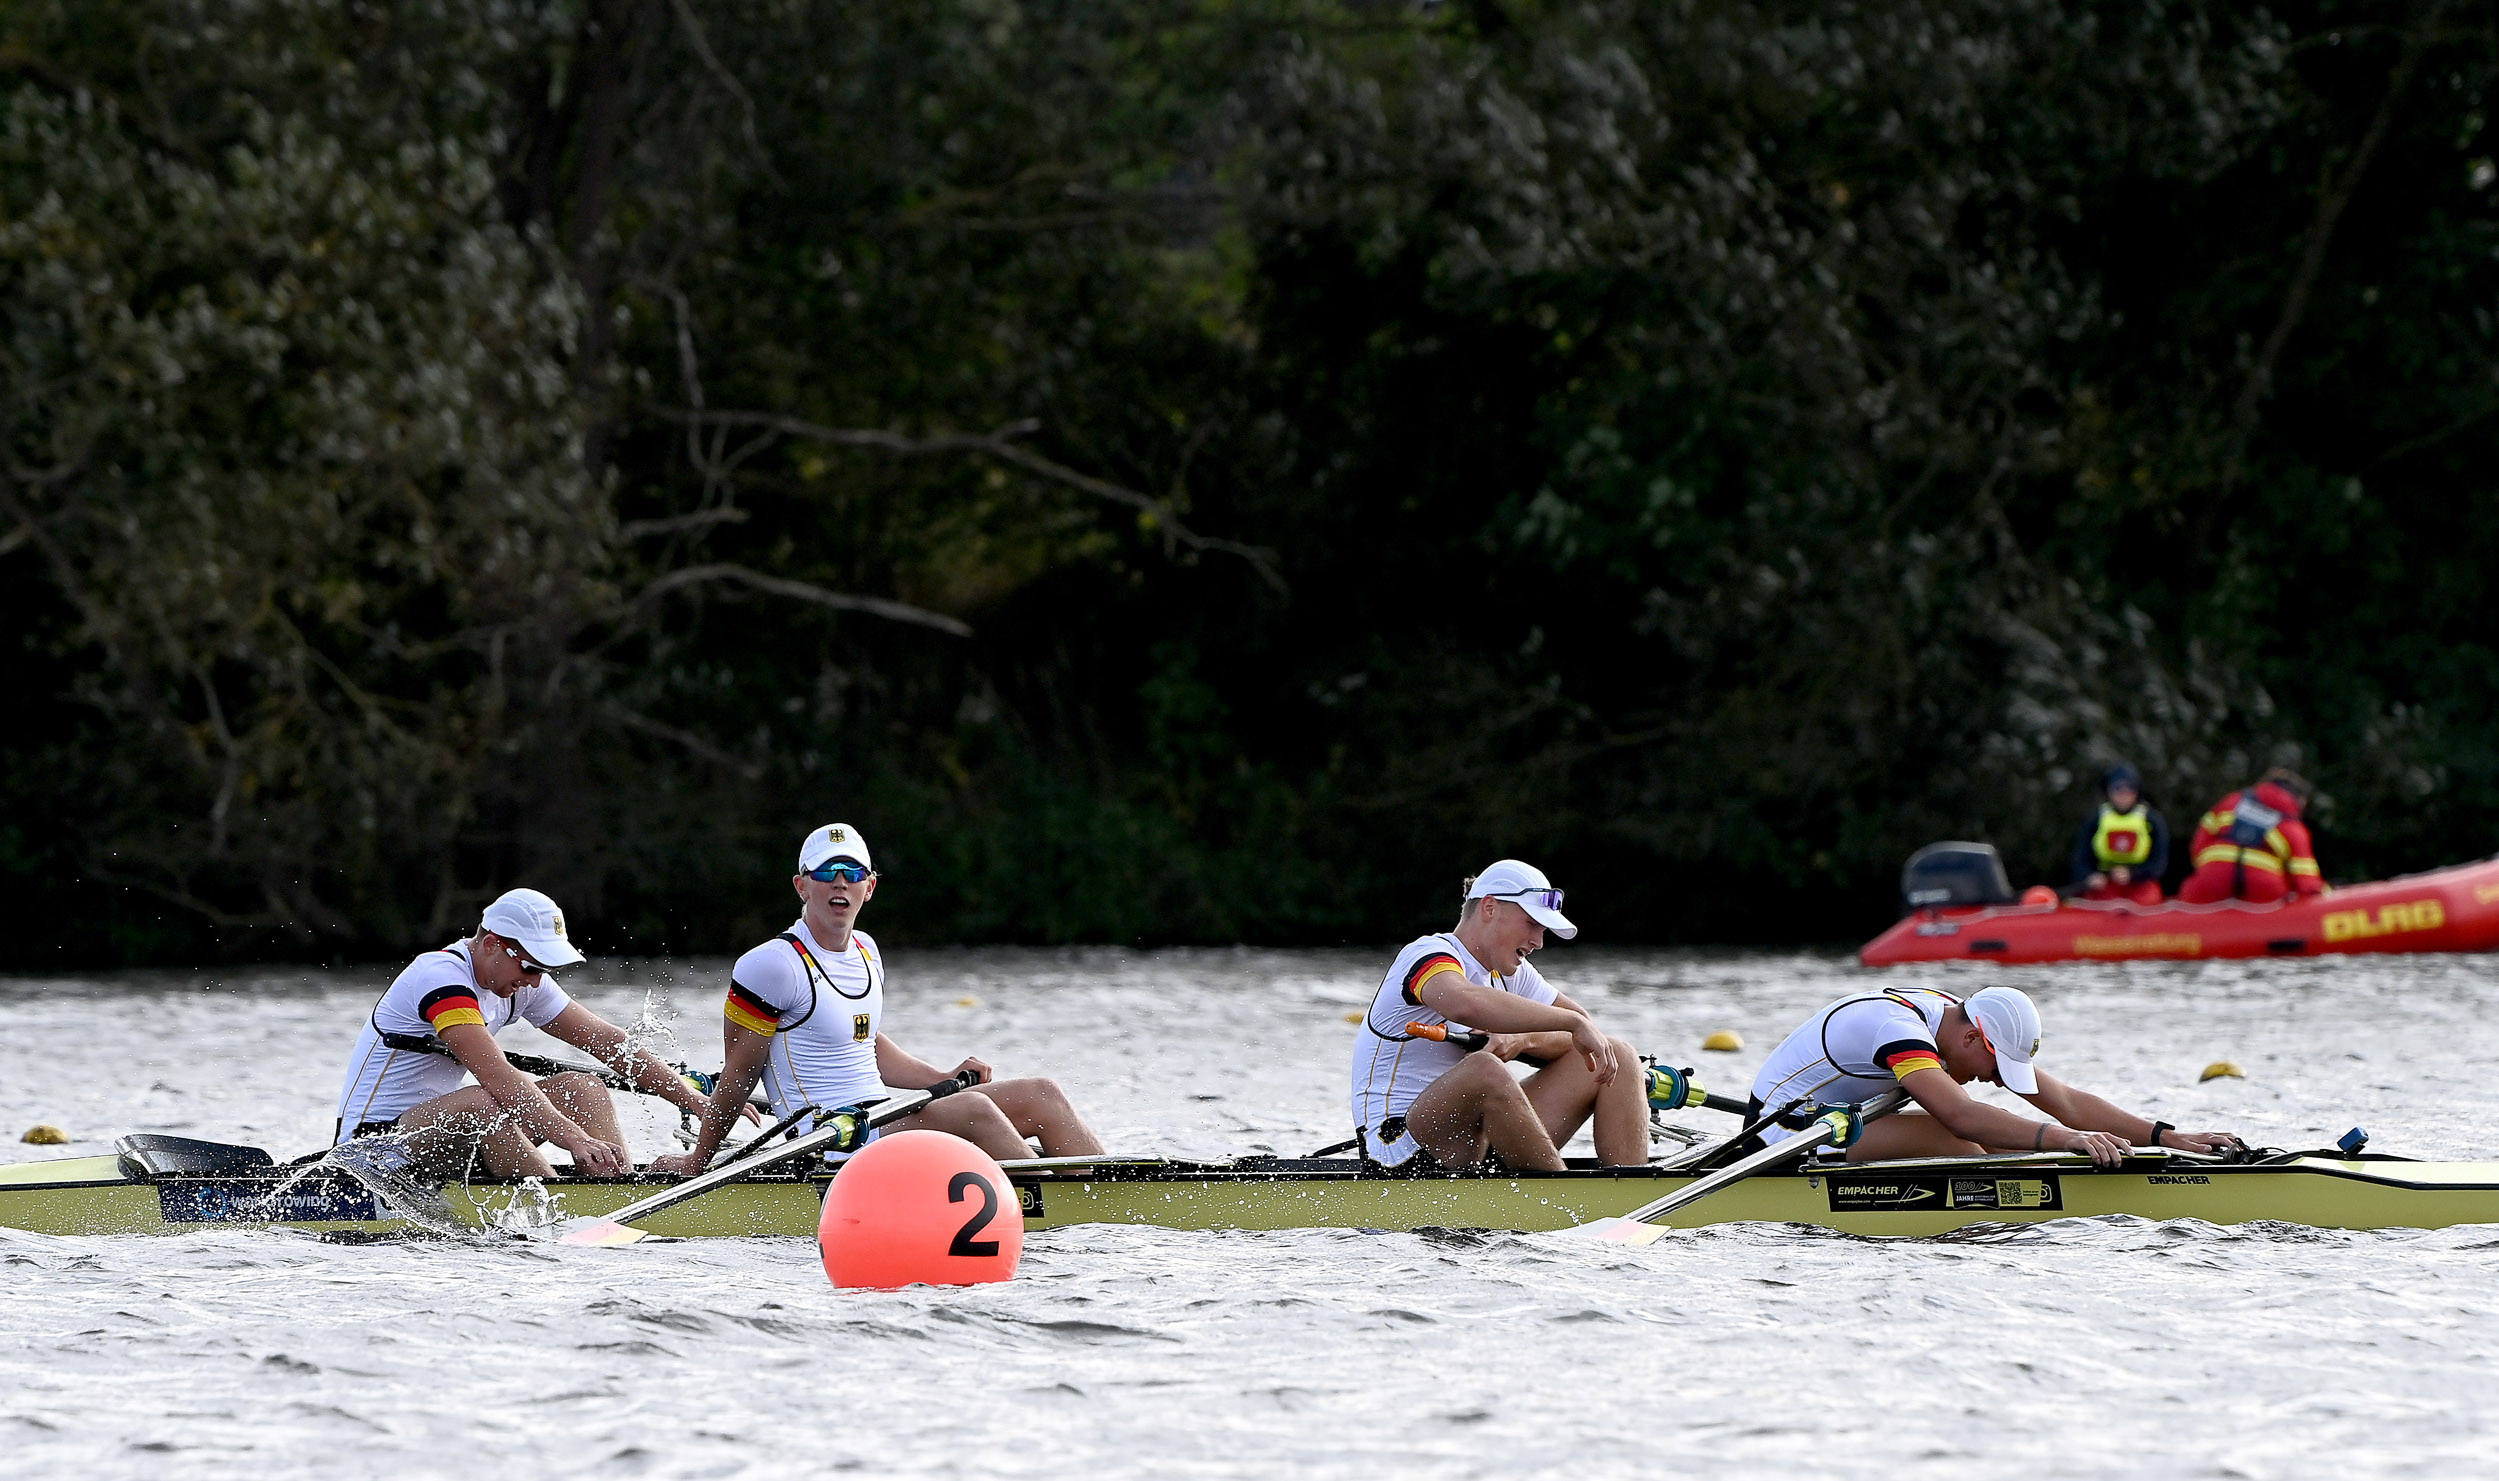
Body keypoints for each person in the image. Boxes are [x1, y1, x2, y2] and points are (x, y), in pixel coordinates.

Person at [652, 823, 1106, 1175]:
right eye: (826, 873)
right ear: (801, 886)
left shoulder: (866, 950)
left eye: (852, 874)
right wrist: (698, 1162)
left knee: (1042, 1093)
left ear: (869, 887)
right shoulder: (771, 965)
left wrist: (942, 1076)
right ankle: (1057, 1202)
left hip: (882, 1117)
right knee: (975, 1109)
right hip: (827, 1139)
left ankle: (1104, 1193)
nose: (839, 884)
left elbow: (863, 1040)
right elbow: (740, 1072)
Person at [334, 887, 717, 1178]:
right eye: (532, 967)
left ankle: (616, 1187)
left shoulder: (516, 982)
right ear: (490, 945)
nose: (535, 982)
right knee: (481, 1102)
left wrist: (692, 1100)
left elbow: (609, 1042)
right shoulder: (441, 979)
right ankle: (565, 1212)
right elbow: (498, 1077)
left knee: (584, 1090)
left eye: (545, 970)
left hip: (447, 1134)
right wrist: (574, 1139)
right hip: (375, 1149)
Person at [1347, 859, 1649, 1173]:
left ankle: (1634, 1194)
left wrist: (1523, 1038)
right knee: (1484, 1069)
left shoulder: (1511, 973)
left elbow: (1586, 1038)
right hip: (1399, 1148)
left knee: (1618, 1055)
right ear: (1490, 908)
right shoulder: (1428, 955)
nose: (1539, 942)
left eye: (1543, 930)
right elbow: (1464, 1002)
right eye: (1532, 923)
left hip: (1478, 1139)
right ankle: (1563, 1205)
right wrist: (1570, 1022)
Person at [1746, 983, 2242, 1166]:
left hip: (1844, 1117)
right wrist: (2067, 1141)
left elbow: (2064, 1101)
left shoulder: (1956, 1026)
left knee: (2005, 1138)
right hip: (1783, 1132)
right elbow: (1963, 1117)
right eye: (1995, 1066)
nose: (1993, 1077)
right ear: (1971, 1039)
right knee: (1965, 1143)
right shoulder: (1899, 1032)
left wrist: (2167, 1137)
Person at [2177, 768, 2324, 904]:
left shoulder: (2230, 802)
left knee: (2190, 895)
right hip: (2264, 885)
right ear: (2298, 799)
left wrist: (2208, 869)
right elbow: (2306, 879)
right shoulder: (2292, 826)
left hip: (2214, 874)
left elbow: (2199, 843)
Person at [2069, 763, 2169, 905]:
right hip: (2106, 884)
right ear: (2109, 791)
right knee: (2100, 904)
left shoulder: (2152, 820)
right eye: (2118, 789)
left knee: (2148, 900)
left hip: (2140, 885)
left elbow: (2159, 863)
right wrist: (2090, 876)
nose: (2123, 794)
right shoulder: (2096, 819)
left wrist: (2132, 874)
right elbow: (2080, 858)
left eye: (2130, 789)